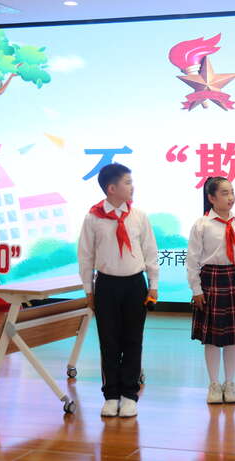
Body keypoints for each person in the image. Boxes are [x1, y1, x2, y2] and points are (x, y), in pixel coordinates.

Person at [78, 163, 159, 418]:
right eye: (127, 182)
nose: (132, 186)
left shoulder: (139, 216)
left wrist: (153, 285)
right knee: (109, 341)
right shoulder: (93, 218)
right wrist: (88, 290)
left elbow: (150, 252)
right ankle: (111, 395)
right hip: (106, 285)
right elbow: (85, 256)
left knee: (133, 340)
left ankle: (129, 395)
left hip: (135, 284)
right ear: (111, 188)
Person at [188, 176, 235, 404]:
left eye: (232, 192)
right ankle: (214, 384)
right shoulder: (202, 224)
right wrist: (196, 289)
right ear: (211, 197)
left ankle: (230, 382)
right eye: (225, 193)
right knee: (212, 338)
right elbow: (192, 260)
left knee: (233, 337)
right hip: (211, 280)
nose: (231, 197)